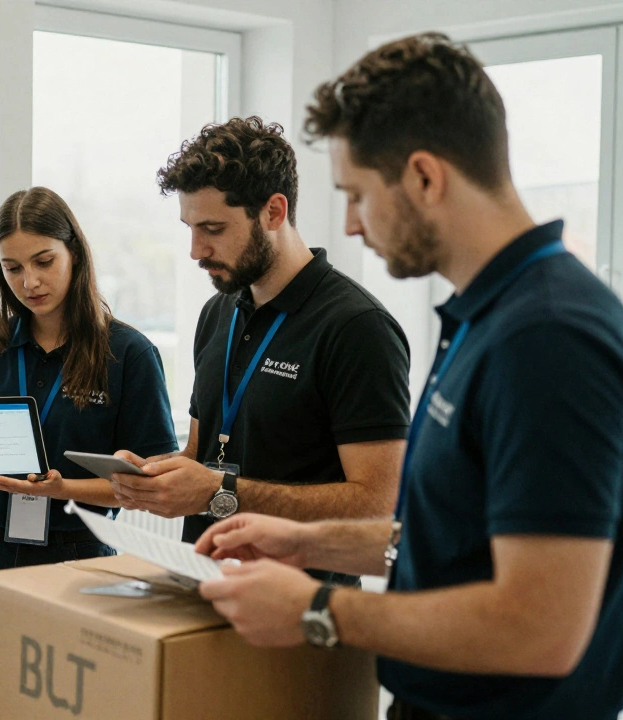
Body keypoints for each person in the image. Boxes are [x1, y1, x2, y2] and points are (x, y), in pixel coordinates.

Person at [195, 34, 623, 720]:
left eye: (356, 195)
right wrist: (308, 540)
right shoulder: (486, 314)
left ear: (425, 177)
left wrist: (320, 607)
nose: (348, 224)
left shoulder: (549, 337)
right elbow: (453, 538)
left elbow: (539, 628)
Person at [109, 118, 411, 564]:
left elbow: (378, 507)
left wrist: (221, 491)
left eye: (213, 229)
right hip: (201, 581)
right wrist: (157, 478)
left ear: (273, 211)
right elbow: (203, 453)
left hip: (298, 605)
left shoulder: (356, 327)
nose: (196, 250)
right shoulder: (218, 312)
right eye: (189, 228)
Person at [0, 187, 177, 673]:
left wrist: (61, 488)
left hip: (76, 558)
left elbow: (148, 486)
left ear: (75, 253)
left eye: (44, 261)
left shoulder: (128, 354)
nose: (29, 281)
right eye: (12, 268)